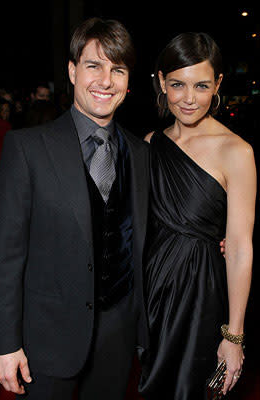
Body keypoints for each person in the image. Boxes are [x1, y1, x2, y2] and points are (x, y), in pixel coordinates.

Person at [0, 17, 150, 400]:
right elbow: (4, 256)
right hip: (45, 340)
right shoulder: (26, 148)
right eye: (94, 65)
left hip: (118, 338)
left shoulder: (142, 153)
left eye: (118, 69)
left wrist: (216, 239)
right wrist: (3, 343)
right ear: (72, 70)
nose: (105, 80)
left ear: (129, 84)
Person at [139, 32, 256, 399]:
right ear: (161, 81)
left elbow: (238, 248)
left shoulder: (236, 151)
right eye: (177, 84)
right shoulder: (148, 145)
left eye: (202, 85)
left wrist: (233, 336)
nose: (189, 99)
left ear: (218, 83)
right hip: (151, 292)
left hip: (202, 295)